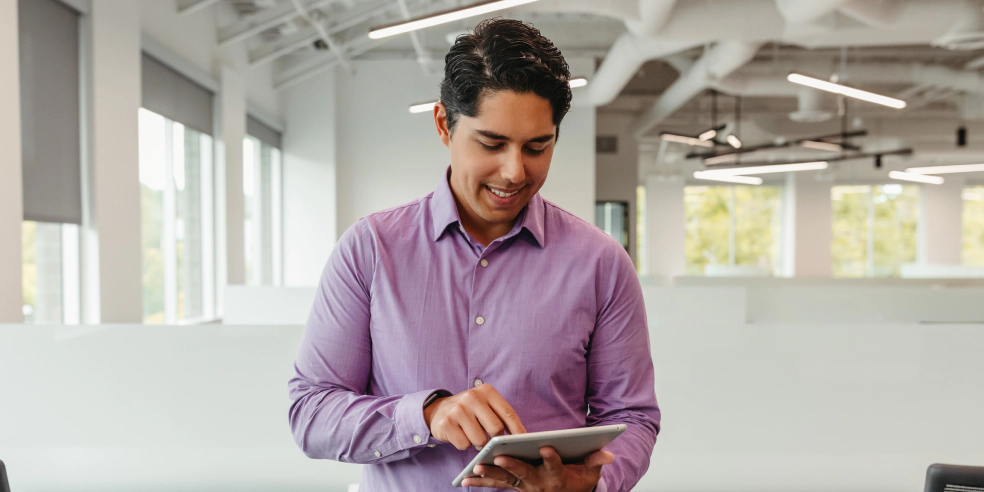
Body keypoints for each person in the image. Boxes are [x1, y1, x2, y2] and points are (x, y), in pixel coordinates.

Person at [288, 18, 660, 492]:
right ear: (445, 124)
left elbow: (632, 417)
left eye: (537, 147)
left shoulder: (601, 263)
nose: (513, 171)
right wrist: (426, 414)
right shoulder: (371, 250)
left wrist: (588, 485)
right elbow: (311, 412)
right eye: (492, 143)